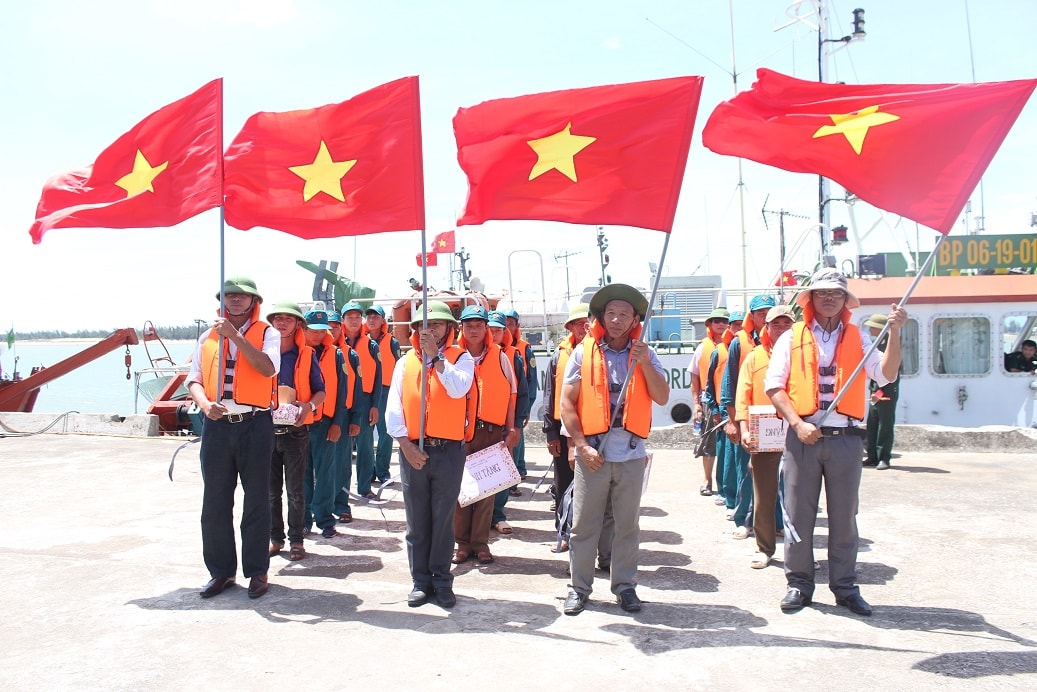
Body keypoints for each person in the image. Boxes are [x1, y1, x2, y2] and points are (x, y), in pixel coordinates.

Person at [765, 269, 906, 617]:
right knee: (798, 515)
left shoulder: (860, 339)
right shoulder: (791, 337)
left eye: (836, 293)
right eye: (822, 293)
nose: (829, 298)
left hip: (846, 439)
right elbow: (774, 387)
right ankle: (798, 583)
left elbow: (886, 374)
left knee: (845, 517)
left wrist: (896, 333)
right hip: (803, 437)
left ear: (845, 301)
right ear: (810, 299)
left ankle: (845, 587)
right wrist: (797, 424)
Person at [560, 284, 669, 616]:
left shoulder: (645, 353)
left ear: (635, 318)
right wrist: (580, 446)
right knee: (584, 525)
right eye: (611, 313)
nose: (617, 319)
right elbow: (567, 403)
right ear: (601, 318)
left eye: (624, 314)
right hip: (593, 453)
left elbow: (662, 396)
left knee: (627, 524)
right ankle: (579, 588)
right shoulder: (583, 352)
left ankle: (625, 586)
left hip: (631, 454)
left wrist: (644, 362)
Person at [186, 276, 279, 600]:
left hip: (254, 424)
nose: (236, 300)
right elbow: (193, 379)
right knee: (214, 502)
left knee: (256, 500)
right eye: (230, 295)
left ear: (255, 302)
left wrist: (236, 337)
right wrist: (203, 403)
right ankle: (221, 572)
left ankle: (257, 571)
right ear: (222, 300)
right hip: (216, 425)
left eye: (243, 296)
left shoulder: (268, 334)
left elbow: (267, 369)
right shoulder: (206, 337)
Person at [385, 301, 475, 608]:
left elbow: (458, 389)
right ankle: (420, 581)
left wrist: (436, 356)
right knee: (417, 522)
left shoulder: (461, 359)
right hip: (413, 451)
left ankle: (441, 579)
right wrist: (406, 446)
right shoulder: (404, 363)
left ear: (449, 329)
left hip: (448, 451)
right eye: (425, 325)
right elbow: (393, 409)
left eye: (437, 325)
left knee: (443, 519)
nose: (430, 330)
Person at [452, 306, 519, 566]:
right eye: (469, 325)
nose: (474, 329)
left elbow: (511, 394)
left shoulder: (500, 356)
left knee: (485, 491)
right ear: (461, 328)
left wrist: (511, 430)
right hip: (459, 431)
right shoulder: (453, 356)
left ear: (486, 328)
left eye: (479, 324)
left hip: (490, 432)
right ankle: (462, 544)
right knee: (461, 490)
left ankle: (480, 544)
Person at [735, 304, 796, 569]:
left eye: (787, 324)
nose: (781, 329)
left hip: (796, 431)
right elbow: (742, 396)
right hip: (764, 431)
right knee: (764, 494)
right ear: (765, 329)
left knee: (800, 495)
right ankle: (764, 548)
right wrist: (745, 429)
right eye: (776, 324)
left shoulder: (804, 355)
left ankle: (800, 553)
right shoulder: (754, 358)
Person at [266, 303, 325, 561]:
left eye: (288, 319)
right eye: (277, 318)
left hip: (295, 432)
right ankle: (275, 538)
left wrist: (309, 406)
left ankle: (297, 541)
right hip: (264, 431)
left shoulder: (306, 355)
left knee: (296, 490)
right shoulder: (261, 352)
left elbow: (320, 390)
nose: (282, 323)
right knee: (269, 491)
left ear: (298, 325)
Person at [721, 295, 777, 538]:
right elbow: (729, 385)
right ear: (751, 316)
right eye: (761, 313)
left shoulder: (787, 343)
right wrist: (732, 421)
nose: (765, 317)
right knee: (745, 471)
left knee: (781, 476)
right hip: (750, 419)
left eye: (770, 312)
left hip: (780, 418)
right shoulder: (738, 344)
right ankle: (743, 520)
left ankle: (777, 523)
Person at [542, 303, 590, 551]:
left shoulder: (599, 353)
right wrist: (551, 432)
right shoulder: (558, 356)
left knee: (591, 489)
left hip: (593, 430)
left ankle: (589, 539)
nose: (584, 326)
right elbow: (549, 396)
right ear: (570, 327)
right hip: (562, 431)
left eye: (588, 321)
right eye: (578, 322)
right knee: (563, 485)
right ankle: (562, 534)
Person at [300, 309, 349, 537]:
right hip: (299, 423)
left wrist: (338, 422)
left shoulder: (336, 355)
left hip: (326, 422)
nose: (318, 336)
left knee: (326, 473)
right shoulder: (296, 353)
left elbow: (342, 391)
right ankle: (303, 520)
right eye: (313, 331)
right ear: (304, 329)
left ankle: (325, 520)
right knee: (302, 474)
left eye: (323, 331)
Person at [337, 300, 383, 500]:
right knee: (341, 448)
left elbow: (379, 377)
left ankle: (364, 486)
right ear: (343, 320)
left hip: (364, 400)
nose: (354, 321)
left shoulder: (372, 346)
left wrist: (374, 405)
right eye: (350, 317)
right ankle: (340, 491)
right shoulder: (335, 344)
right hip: (341, 400)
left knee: (365, 445)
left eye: (357, 317)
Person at [489, 310, 528, 535]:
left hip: (506, 421)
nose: (493, 334)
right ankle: (477, 517)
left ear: (506, 332)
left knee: (502, 468)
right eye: (490, 329)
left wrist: (517, 423)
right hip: (480, 424)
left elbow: (522, 391)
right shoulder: (472, 354)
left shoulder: (514, 356)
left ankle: (498, 514)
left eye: (498, 330)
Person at [689, 308, 729, 499]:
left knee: (730, 444)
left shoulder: (736, 344)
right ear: (710, 325)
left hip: (731, 400)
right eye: (716, 321)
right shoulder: (702, 347)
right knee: (708, 442)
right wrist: (696, 404)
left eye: (724, 321)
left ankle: (728, 484)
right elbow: (694, 377)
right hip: (708, 401)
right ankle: (707, 480)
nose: (721, 324)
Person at [326, 310, 362, 524]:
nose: (331, 330)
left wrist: (356, 419)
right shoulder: (308, 351)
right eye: (326, 326)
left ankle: (341, 504)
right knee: (315, 467)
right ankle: (317, 507)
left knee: (342, 465)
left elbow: (357, 388)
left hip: (343, 416)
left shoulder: (350, 354)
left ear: (341, 327)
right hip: (316, 418)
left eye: (334, 326)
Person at [706, 311, 740, 514]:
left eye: (738, 324)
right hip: (724, 411)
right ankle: (726, 494)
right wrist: (714, 409)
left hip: (747, 411)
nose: (736, 328)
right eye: (733, 325)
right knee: (725, 455)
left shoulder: (752, 348)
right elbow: (709, 383)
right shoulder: (718, 351)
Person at [364, 305, 401, 483]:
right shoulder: (359, 341)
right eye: (369, 317)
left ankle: (383, 471)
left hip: (386, 390)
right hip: (365, 391)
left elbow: (398, 366)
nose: (372, 320)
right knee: (365, 432)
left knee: (385, 432)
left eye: (376, 317)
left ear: (383, 320)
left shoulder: (392, 342)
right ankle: (368, 472)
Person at [503, 308, 538, 482]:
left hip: (519, 402)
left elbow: (531, 380)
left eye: (511, 323)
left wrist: (528, 406)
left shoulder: (524, 349)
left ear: (517, 326)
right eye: (505, 323)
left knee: (517, 437)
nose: (508, 327)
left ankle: (519, 469)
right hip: (502, 403)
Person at [863, 314, 901, 470]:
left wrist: (879, 394)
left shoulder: (889, 345)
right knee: (872, 424)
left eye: (873, 326)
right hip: (875, 389)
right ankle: (872, 456)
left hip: (886, 391)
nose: (870, 329)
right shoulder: (875, 344)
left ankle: (884, 458)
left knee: (884, 425)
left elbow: (891, 374)